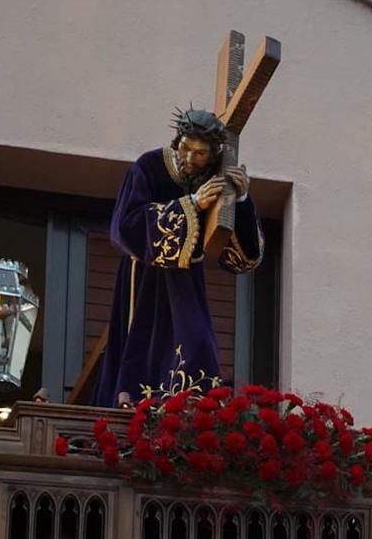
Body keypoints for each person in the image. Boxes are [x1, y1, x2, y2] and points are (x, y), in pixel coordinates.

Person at [92, 108, 264, 407]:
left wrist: (241, 198)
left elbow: (242, 259)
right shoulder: (148, 166)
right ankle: (135, 406)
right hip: (144, 277)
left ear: (213, 154)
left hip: (186, 283)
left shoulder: (218, 180)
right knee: (141, 350)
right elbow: (125, 227)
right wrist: (193, 203)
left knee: (197, 344)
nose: (189, 159)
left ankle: (192, 411)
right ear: (177, 141)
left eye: (200, 154)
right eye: (185, 148)